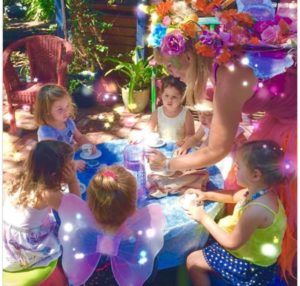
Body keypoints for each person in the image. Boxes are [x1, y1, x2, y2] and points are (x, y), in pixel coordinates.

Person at [147, 0, 296, 280]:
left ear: (188, 56)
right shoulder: (222, 58)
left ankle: (269, 264)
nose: (170, 74)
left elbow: (217, 149)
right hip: (279, 117)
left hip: (293, 125)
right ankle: (254, 245)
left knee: (281, 197)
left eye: (170, 65)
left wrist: (169, 165)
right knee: (253, 189)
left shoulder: (228, 74)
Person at [186, 140, 290, 286]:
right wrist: (206, 195)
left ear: (255, 175)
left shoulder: (257, 209)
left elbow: (231, 243)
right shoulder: (260, 192)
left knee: (193, 260)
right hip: (251, 252)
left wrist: (203, 217)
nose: (234, 168)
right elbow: (233, 196)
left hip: (251, 267)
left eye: (239, 166)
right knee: (206, 240)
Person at [3, 141, 80, 276]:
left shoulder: (23, 177)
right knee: (71, 236)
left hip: (7, 236)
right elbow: (76, 211)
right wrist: (73, 181)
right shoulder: (47, 193)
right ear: (54, 174)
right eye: (68, 166)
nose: (72, 167)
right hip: (25, 246)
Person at [34, 84, 97, 170]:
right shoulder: (46, 132)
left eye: (67, 106)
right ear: (47, 111)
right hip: (55, 169)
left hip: (69, 160)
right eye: (60, 109)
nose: (66, 112)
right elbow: (53, 159)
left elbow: (79, 137)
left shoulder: (68, 122)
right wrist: (74, 164)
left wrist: (88, 144)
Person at [148, 75, 195, 142]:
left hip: (179, 149)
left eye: (174, 97)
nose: (169, 100)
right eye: (166, 96)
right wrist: (139, 136)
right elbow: (148, 129)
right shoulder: (158, 113)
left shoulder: (186, 114)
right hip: (162, 148)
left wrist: (185, 141)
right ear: (161, 95)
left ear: (181, 97)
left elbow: (191, 136)